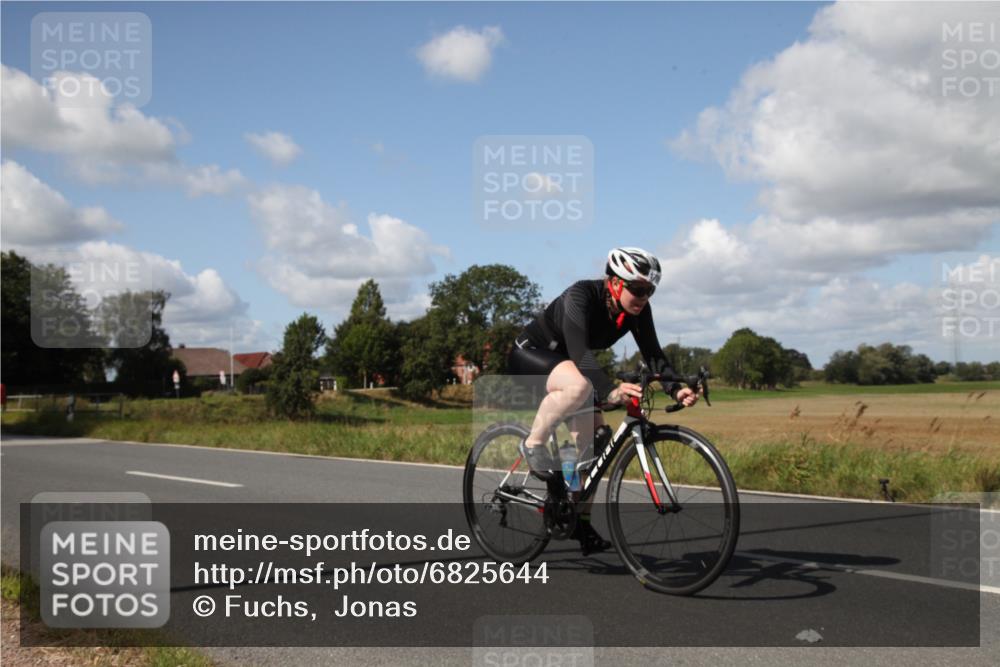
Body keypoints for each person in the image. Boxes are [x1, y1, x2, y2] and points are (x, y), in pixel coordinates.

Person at [506, 247, 700, 555]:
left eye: (650, 291)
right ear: (615, 282)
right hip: (532, 355)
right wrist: (610, 390)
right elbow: (580, 352)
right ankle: (532, 444)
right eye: (638, 289)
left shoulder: (637, 311)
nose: (644, 297)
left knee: (594, 446)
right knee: (580, 386)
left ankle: (576, 517)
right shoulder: (580, 296)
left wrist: (676, 389)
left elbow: (653, 356)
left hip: (571, 369)